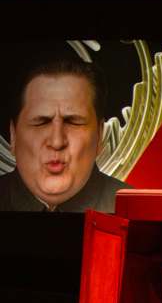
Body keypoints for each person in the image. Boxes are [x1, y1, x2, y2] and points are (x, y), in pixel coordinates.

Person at [0, 57, 130, 212]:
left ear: (100, 134)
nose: (57, 141)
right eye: (41, 122)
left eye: (73, 122)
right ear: (13, 136)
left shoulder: (136, 210)